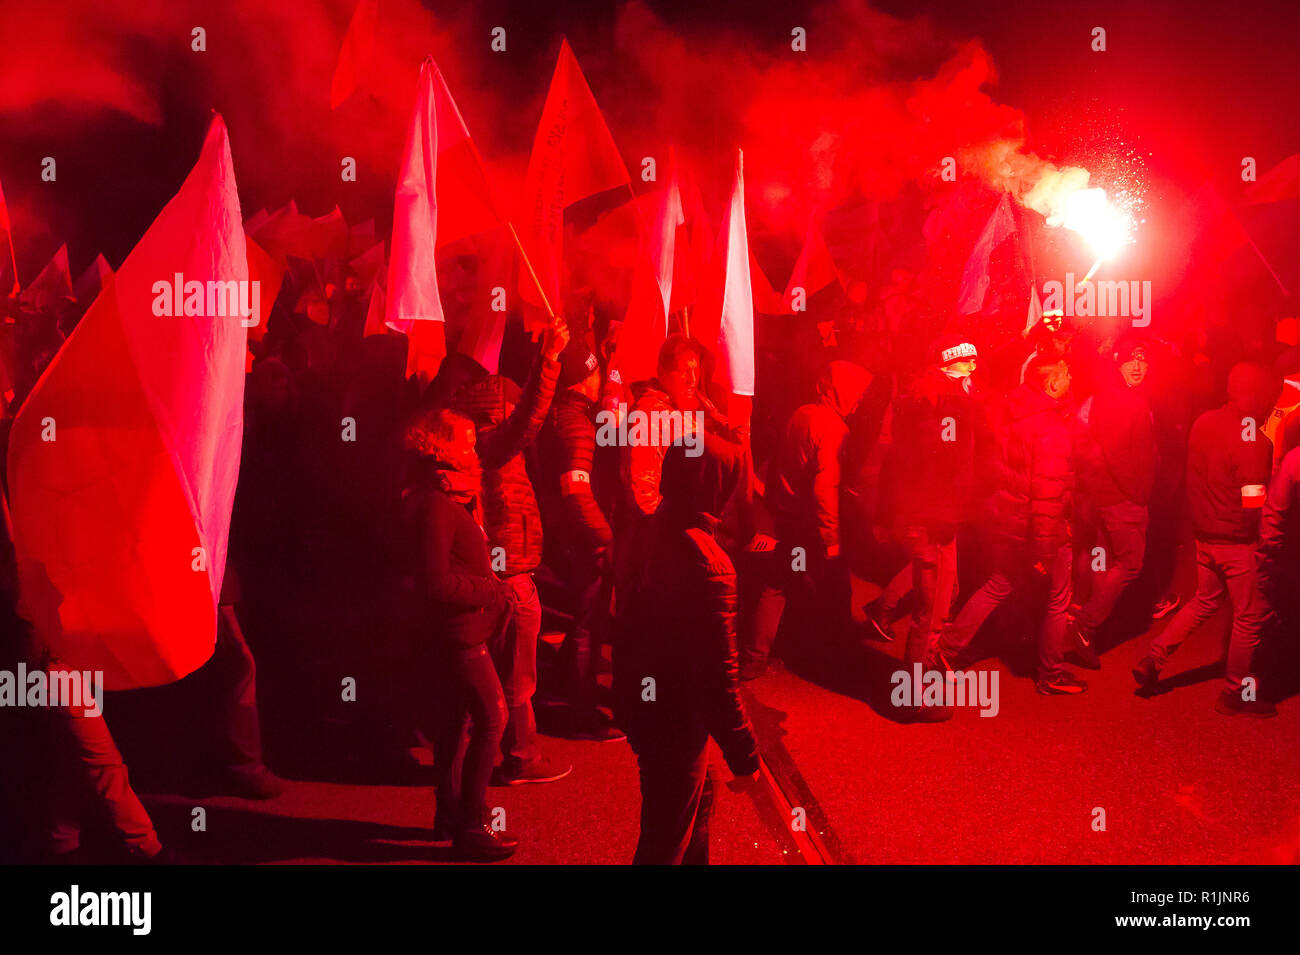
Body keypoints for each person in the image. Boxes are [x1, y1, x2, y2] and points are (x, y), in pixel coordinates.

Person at [614, 436, 760, 864]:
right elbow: (719, 678)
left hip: (643, 702)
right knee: (665, 840)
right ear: (714, 485)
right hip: (677, 717)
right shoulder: (708, 563)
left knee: (693, 802)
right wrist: (745, 756)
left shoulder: (646, 528)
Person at [452, 314, 574, 785]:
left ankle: (491, 755)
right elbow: (527, 422)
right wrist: (548, 360)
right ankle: (521, 756)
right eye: (507, 403)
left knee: (500, 665)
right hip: (509, 569)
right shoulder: (493, 445)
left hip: (500, 566)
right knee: (518, 667)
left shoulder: (468, 445)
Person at [930, 357, 1088, 697]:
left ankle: (944, 651)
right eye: (1065, 374)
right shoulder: (1051, 430)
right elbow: (1046, 492)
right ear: (1051, 385)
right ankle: (1051, 673)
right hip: (1040, 528)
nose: (1071, 377)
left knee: (997, 586)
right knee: (1059, 598)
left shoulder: (1013, 415)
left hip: (1009, 522)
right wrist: (1045, 548)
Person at [404, 407, 518, 860]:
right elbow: (433, 580)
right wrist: (488, 589)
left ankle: (451, 814)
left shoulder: (450, 493)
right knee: (493, 717)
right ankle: (470, 825)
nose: (474, 451)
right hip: (458, 631)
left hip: (465, 626)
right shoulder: (435, 501)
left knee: (457, 721)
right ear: (440, 447)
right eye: (465, 443)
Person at [1133, 362, 1278, 717]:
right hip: (1237, 542)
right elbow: (1254, 501)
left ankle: (1154, 658)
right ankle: (1235, 692)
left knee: (1204, 600)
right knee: (1249, 616)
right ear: (1257, 395)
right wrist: (1259, 542)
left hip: (1204, 535)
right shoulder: (1254, 440)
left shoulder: (1204, 422)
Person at [747, 360, 870, 676]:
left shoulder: (801, 413)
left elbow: (778, 464)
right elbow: (824, 488)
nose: (858, 403)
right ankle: (831, 659)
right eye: (855, 395)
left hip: (786, 516)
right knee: (834, 590)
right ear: (838, 392)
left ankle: (755, 656)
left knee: (777, 585)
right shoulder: (834, 428)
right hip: (810, 524)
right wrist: (831, 540)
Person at [873, 334, 980, 681]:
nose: (973, 368)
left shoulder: (938, 397)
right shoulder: (946, 405)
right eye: (966, 362)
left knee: (946, 592)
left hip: (935, 515)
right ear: (948, 366)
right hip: (935, 517)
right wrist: (944, 514)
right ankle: (916, 692)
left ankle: (926, 668)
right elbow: (940, 464)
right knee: (931, 607)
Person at [537, 341, 625, 741]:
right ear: (582, 377)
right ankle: (581, 710)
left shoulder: (565, 414)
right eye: (594, 371)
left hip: (567, 535)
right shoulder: (574, 424)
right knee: (589, 623)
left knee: (581, 620)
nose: (598, 377)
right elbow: (575, 489)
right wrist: (604, 538)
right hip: (583, 538)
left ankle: (561, 686)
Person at [1068, 335, 1157, 669]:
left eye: (1143, 360)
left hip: (1105, 495)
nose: (1137, 366)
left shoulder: (1114, 395)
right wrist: (1138, 492)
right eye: (1130, 360)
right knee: (1130, 563)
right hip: (1121, 497)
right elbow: (1118, 454)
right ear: (1117, 363)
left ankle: (1089, 619)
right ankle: (1085, 627)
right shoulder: (1124, 401)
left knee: (1104, 558)